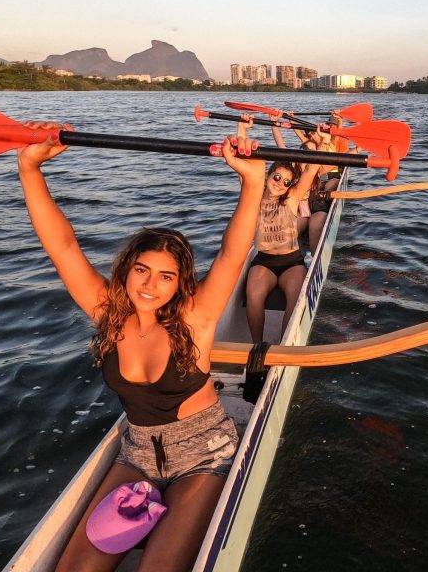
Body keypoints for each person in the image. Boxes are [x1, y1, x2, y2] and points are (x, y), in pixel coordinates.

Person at [16, 121, 265, 572]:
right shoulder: (108, 314)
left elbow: (233, 254)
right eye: (142, 271)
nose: (150, 285)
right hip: (138, 453)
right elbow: (63, 248)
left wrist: (252, 181)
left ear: (180, 283)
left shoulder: (196, 317)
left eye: (166, 276)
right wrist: (30, 169)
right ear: (127, 269)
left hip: (205, 452)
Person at [236, 117, 325, 342]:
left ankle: (283, 348)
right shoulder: (253, 195)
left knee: (294, 302)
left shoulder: (292, 198)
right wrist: (242, 129)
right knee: (254, 296)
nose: (279, 183)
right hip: (263, 261)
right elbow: (243, 162)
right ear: (268, 175)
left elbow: (311, 169)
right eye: (277, 177)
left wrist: (323, 142)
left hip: (291, 263)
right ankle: (257, 347)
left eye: (286, 182)